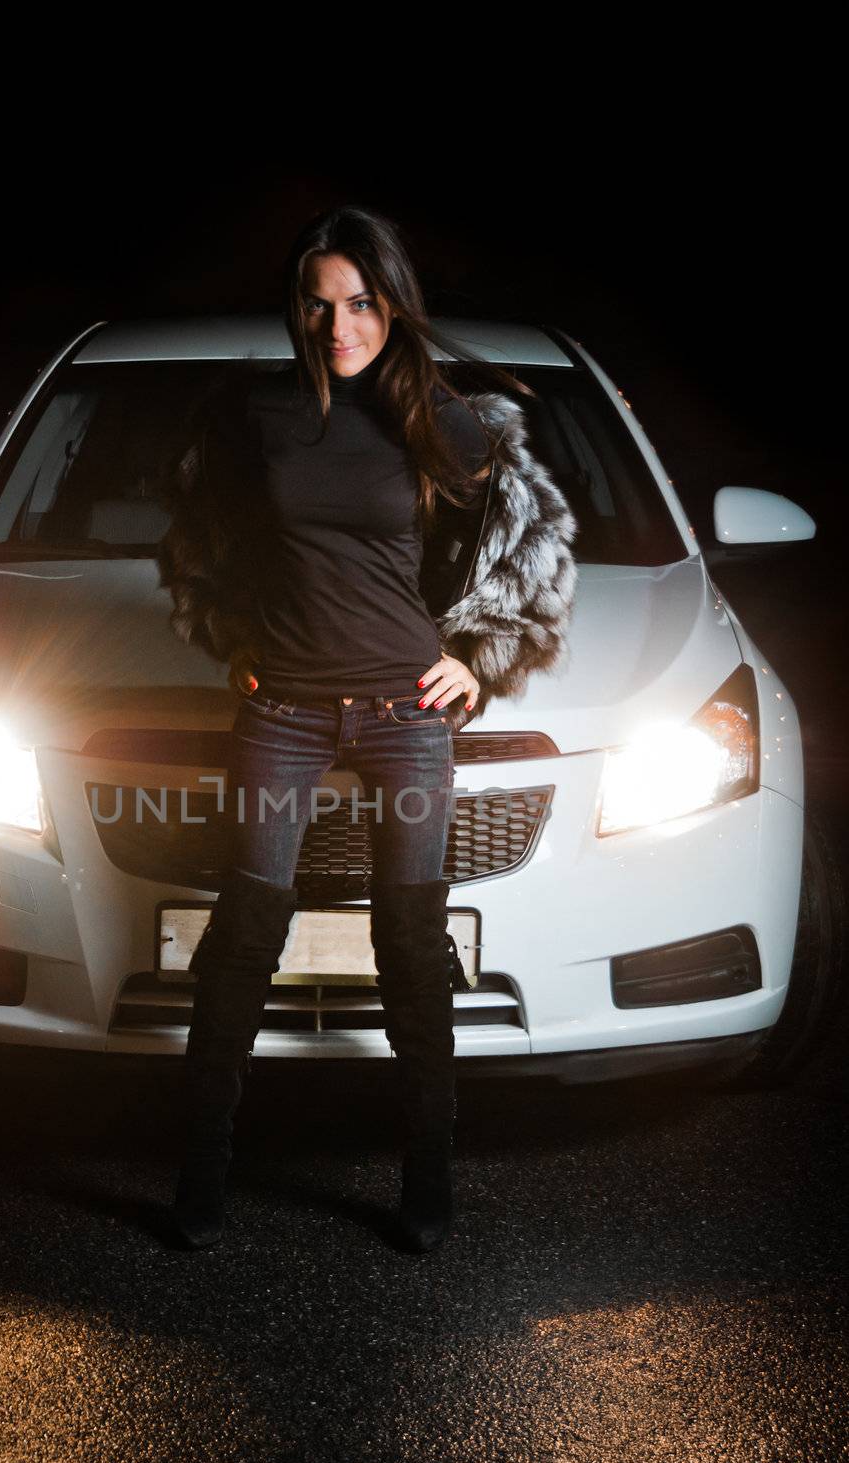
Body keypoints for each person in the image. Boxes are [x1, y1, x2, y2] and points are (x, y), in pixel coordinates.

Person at [157, 204, 578, 1252]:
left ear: (391, 305)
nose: (337, 326)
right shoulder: (254, 418)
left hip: (405, 718)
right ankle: (199, 1182)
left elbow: (525, 556)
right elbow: (204, 548)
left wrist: (477, 660)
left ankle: (425, 1183)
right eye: (317, 304)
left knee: (408, 944)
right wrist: (231, 634)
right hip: (284, 712)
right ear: (295, 308)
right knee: (243, 938)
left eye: (358, 304)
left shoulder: (449, 423)